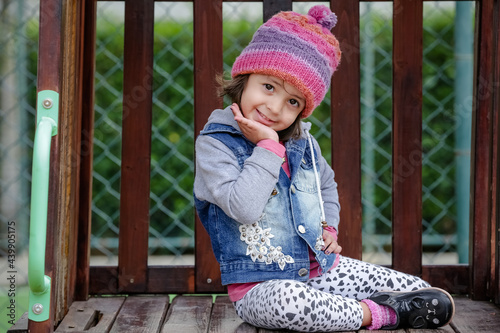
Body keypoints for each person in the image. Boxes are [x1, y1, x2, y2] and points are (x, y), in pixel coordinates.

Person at [194, 5, 455, 332]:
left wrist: (328, 228)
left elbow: (326, 187)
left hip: (321, 270)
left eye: (293, 102)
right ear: (244, 79)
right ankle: (376, 315)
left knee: (415, 290)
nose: (274, 108)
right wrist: (268, 148)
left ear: (303, 110)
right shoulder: (216, 144)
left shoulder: (303, 144)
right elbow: (243, 208)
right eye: (269, 87)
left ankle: (369, 306)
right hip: (261, 288)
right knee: (289, 301)